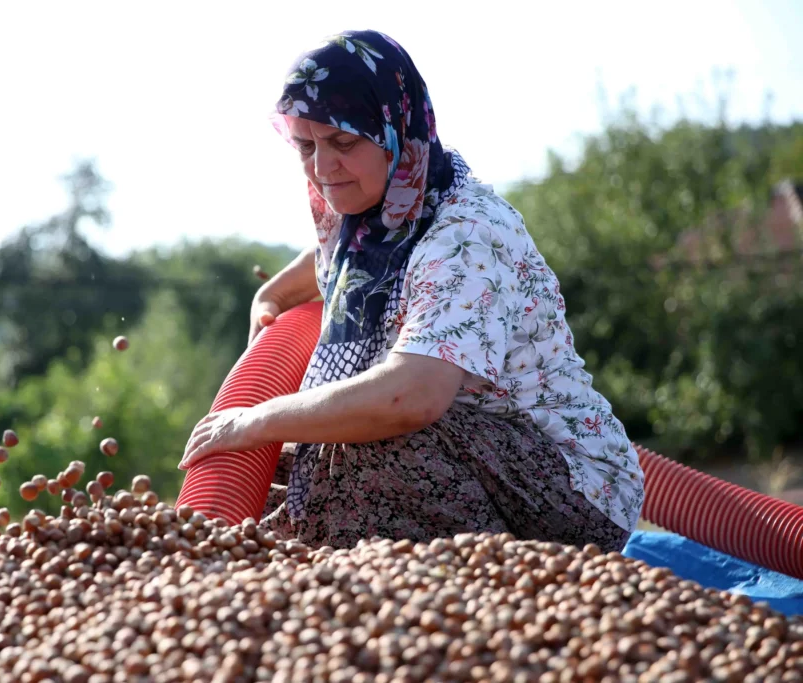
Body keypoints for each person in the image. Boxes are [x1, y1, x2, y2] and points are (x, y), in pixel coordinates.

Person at [179, 30, 644, 553]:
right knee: (287, 478)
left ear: (394, 131)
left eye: (344, 143)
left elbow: (411, 397)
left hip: (571, 492)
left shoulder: (465, 234)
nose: (322, 168)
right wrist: (269, 300)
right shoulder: (369, 224)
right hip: (464, 455)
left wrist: (258, 419)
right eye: (306, 146)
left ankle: (465, 589)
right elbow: (319, 271)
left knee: (357, 450)